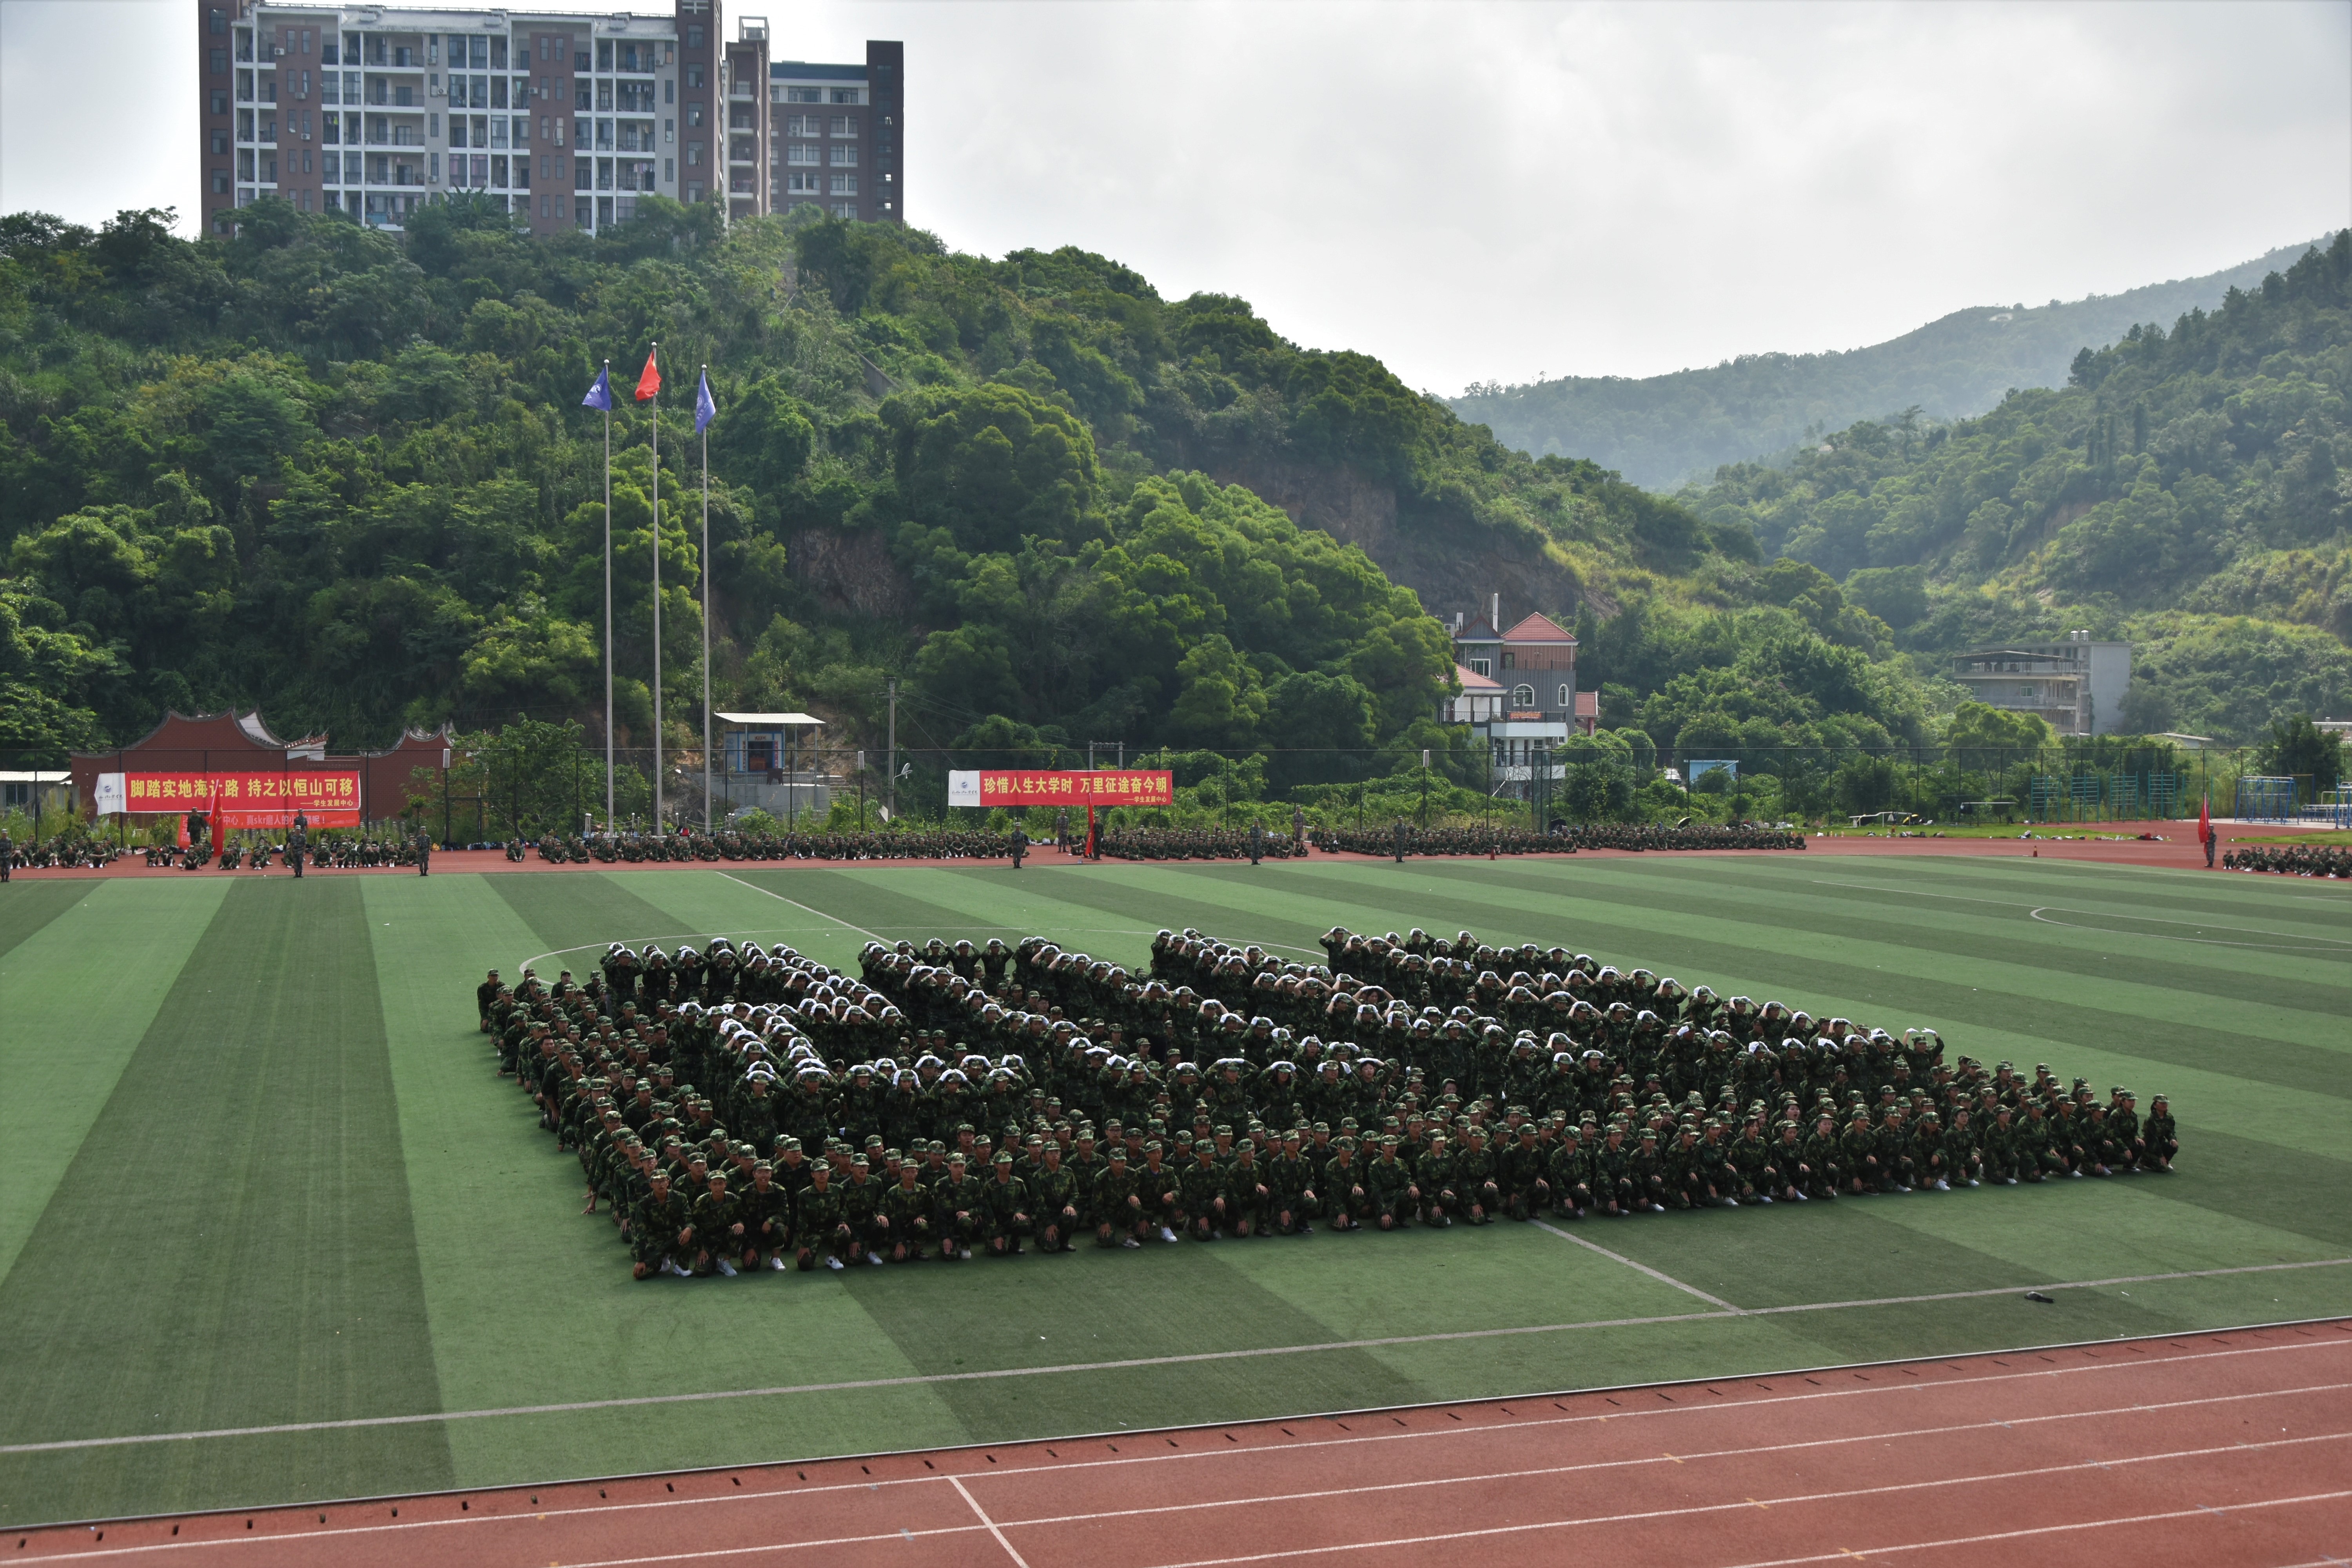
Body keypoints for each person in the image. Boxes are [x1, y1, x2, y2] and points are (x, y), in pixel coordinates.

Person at [288, 809, 308, 879]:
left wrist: (304, 852)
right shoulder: (293, 837)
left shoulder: (303, 837)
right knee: (296, 863)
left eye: (298, 830)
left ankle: (300, 873)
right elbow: (291, 845)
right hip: (295, 851)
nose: (298, 830)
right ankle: (296, 874)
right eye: (297, 830)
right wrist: (291, 852)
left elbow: (305, 844)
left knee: (300, 863)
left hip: (300, 851)